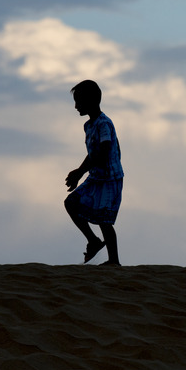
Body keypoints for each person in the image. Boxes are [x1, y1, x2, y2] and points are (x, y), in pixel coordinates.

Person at [64, 80, 124, 266]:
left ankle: (114, 261)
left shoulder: (104, 124)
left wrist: (80, 172)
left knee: (104, 220)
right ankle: (93, 241)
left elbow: (104, 149)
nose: (75, 106)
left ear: (90, 101)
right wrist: (81, 173)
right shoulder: (88, 126)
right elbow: (93, 153)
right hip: (96, 177)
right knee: (71, 203)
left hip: (109, 179)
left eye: (78, 101)